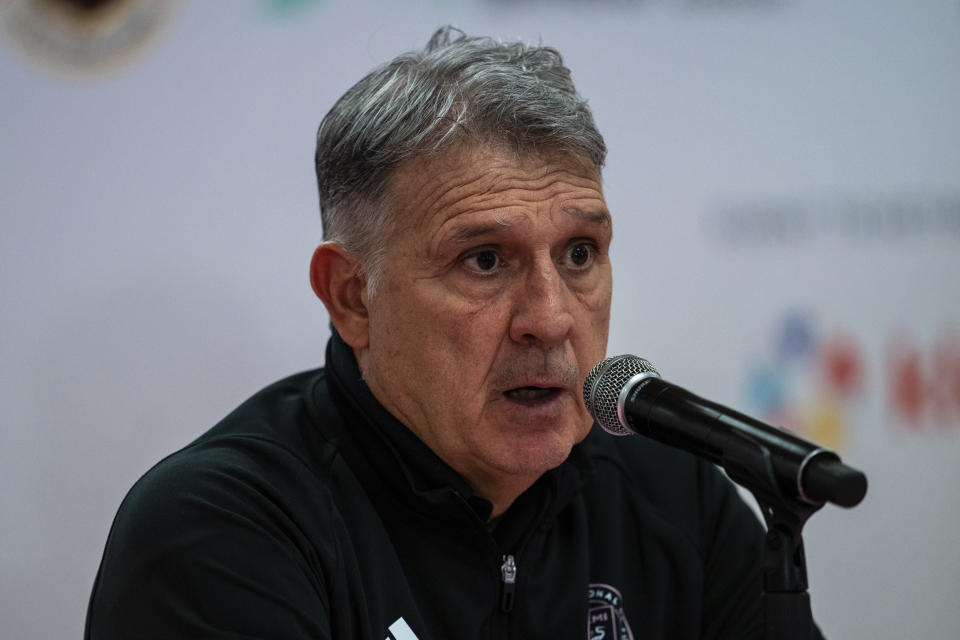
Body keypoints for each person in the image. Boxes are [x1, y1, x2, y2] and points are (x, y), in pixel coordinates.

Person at [85, 26, 775, 639]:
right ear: (353, 297)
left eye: (579, 254)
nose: (551, 318)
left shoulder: (679, 502)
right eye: (484, 260)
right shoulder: (222, 529)